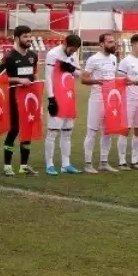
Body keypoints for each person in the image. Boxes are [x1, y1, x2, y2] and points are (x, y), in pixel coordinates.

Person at [0, 25, 40, 177]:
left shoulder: (33, 55)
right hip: (14, 97)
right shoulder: (9, 57)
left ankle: (24, 165)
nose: (29, 39)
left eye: (30, 36)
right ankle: (7, 166)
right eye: (25, 37)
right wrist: (17, 79)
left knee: (27, 129)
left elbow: (34, 73)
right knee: (14, 129)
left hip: (29, 98)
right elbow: (1, 80)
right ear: (16, 38)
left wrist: (36, 86)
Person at [80, 32, 119, 173]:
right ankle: (88, 163)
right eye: (110, 42)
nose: (113, 44)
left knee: (107, 132)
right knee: (92, 131)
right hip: (97, 99)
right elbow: (84, 79)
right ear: (101, 44)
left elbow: (114, 77)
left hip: (110, 100)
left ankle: (104, 162)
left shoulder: (114, 58)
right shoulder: (93, 59)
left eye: (113, 42)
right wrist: (97, 81)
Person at [44, 33, 82, 175]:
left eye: (75, 51)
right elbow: (47, 76)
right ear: (65, 43)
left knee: (67, 132)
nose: (72, 53)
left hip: (69, 95)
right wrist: (51, 98)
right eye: (71, 49)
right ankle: (50, 164)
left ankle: (66, 164)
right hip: (57, 96)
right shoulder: (53, 54)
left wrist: (71, 68)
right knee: (53, 132)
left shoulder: (73, 55)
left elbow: (78, 73)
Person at [116, 33, 138, 170]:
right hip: (128, 99)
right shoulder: (126, 61)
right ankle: (122, 161)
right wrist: (130, 81)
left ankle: (135, 160)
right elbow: (119, 79)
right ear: (133, 45)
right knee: (125, 129)